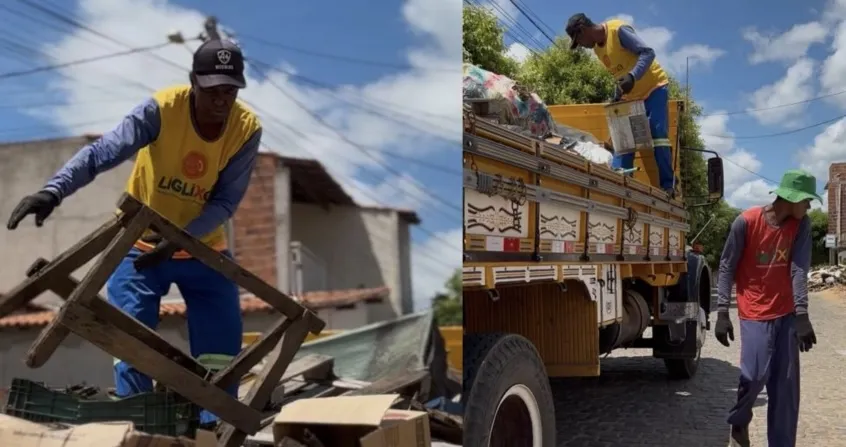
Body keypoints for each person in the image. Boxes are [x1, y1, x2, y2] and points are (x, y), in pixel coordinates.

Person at [5, 38, 262, 428]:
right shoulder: (162, 109)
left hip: (204, 248)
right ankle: (141, 428)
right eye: (212, 90)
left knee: (221, 356)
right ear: (194, 82)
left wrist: (179, 239)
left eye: (230, 91)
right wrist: (53, 190)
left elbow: (225, 203)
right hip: (139, 245)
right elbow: (102, 152)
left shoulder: (246, 129)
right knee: (131, 346)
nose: (221, 101)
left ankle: (215, 432)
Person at [713, 170, 820, 447]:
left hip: (785, 312)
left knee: (785, 388)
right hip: (754, 310)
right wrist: (722, 311)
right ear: (792, 197)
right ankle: (739, 421)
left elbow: (798, 269)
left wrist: (802, 314)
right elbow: (726, 266)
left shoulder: (801, 225)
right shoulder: (746, 222)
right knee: (754, 375)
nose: (809, 206)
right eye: (806, 200)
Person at [565, 13, 675, 195]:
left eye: (579, 41)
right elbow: (619, 74)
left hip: (654, 87)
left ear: (583, 30)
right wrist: (617, 94)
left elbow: (648, 52)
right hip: (630, 95)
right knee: (623, 141)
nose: (582, 46)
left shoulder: (618, 31)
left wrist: (633, 76)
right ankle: (620, 184)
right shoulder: (598, 51)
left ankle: (668, 185)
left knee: (658, 134)